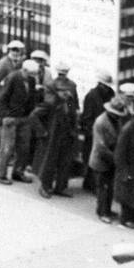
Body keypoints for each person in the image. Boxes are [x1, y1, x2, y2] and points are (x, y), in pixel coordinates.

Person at [0, 58, 39, 184]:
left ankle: (18, 171)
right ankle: (0, 173)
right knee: (7, 148)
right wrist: (4, 116)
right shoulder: (13, 78)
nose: (33, 77)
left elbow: (32, 97)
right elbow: (2, 97)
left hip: (24, 117)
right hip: (11, 117)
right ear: (24, 70)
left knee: (24, 148)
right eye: (31, 74)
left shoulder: (31, 80)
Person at [36, 60, 79, 197]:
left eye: (64, 73)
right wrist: (43, 131)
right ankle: (45, 185)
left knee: (65, 158)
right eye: (61, 73)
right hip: (54, 127)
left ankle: (61, 186)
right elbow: (47, 106)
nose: (63, 76)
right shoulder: (51, 86)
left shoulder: (72, 86)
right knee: (50, 158)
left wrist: (73, 119)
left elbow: (74, 106)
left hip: (67, 126)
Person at [89, 97, 128, 223]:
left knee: (110, 187)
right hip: (101, 160)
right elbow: (101, 147)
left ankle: (107, 209)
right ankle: (102, 212)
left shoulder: (117, 121)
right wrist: (116, 159)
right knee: (103, 188)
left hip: (111, 158)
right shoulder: (101, 122)